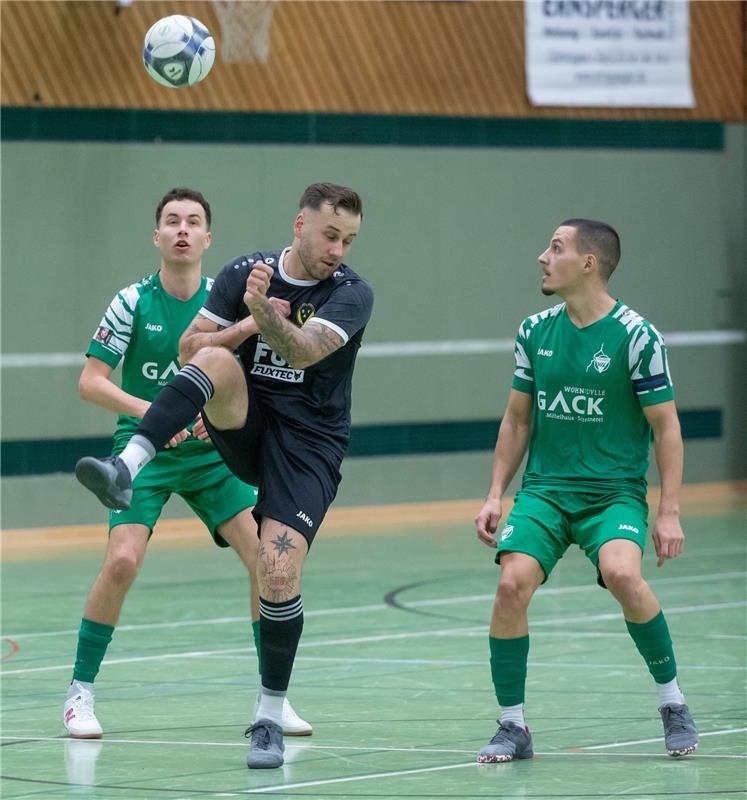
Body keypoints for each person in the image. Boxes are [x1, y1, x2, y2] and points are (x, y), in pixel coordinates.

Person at [74, 182, 373, 769]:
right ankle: (125, 465)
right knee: (210, 359)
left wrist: (260, 313)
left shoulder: (352, 293)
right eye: (330, 235)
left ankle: (270, 710)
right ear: (299, 225)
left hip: (305, 446)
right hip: (236, 426)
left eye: (349, 239)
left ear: (206, 235)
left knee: (274, 567)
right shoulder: (235, 275)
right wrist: (243, 325)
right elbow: (192, 348)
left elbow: (304, 351)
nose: (339, 249)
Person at [474, 219, 699, 762]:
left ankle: (672, 703)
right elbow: (517, 420)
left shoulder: (638, 337)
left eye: (555, 248)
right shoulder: (535, 330)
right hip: (546, 491)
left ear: (589, 263)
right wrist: (495, 492)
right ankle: (513, 726)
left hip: (613, 493)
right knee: (511, 586)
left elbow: (667, 427)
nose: (542, 257)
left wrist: (668, 512)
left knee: (624, 573)